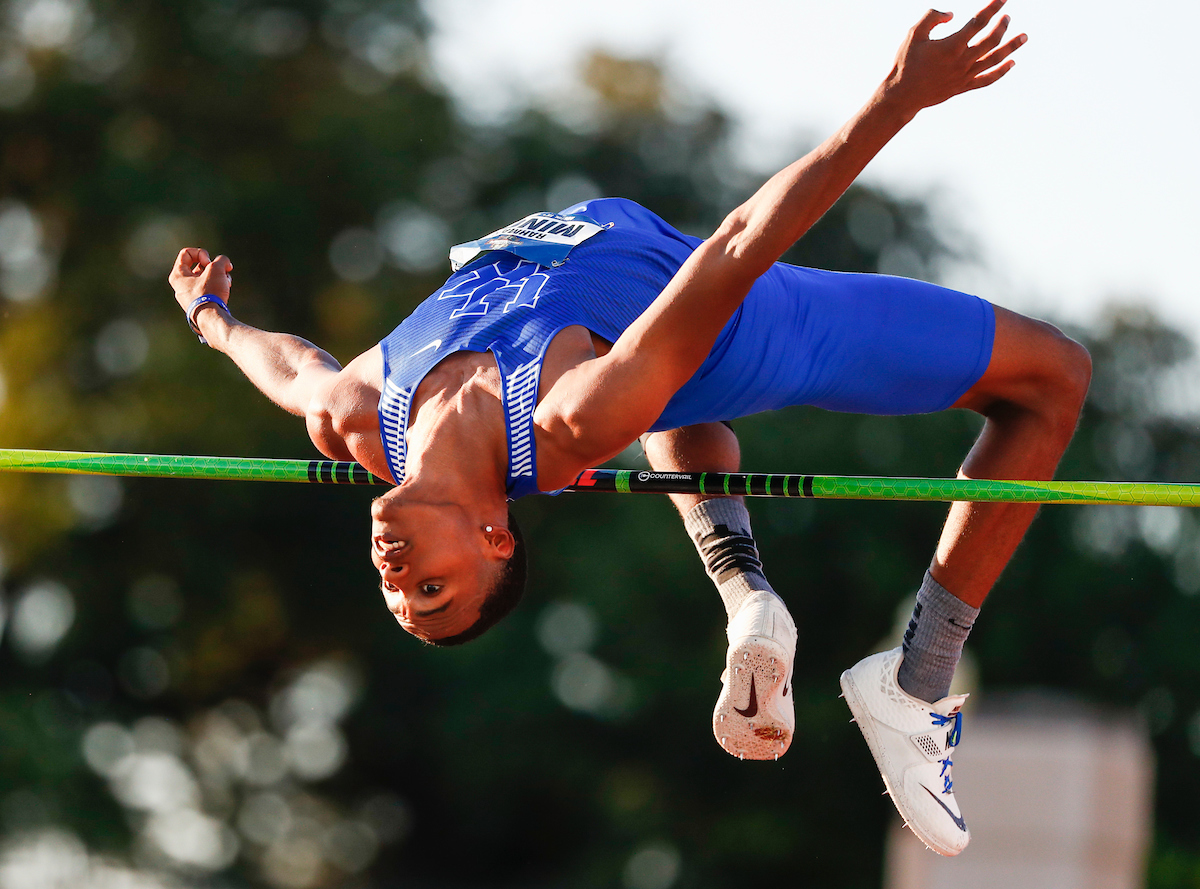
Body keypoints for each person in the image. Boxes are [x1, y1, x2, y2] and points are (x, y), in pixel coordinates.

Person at [168, 1, 1090, 856]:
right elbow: (737, 248)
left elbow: (292, 370)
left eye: (395, 595)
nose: (396, 578)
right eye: (436, 590)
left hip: (647, 322)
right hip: (754, 322)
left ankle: (749, 599)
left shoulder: (361, 419)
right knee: (1053, 377)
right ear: (494, 536)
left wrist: (211, 318)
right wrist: (896, 99)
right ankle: (915, 683)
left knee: (669, 406)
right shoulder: (572, 416)